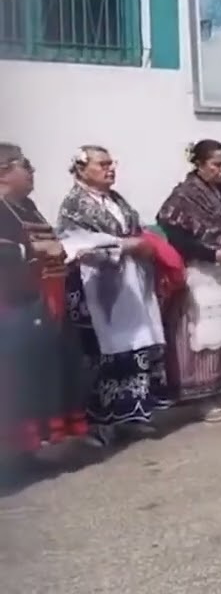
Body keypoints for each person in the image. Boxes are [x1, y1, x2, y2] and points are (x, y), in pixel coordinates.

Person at [58, 145, 171, 446]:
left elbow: (135, 232)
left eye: (112, 163)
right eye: (103, 164)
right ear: (81, 169)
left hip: (130, 284)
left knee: (135, 346)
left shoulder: (117, 200)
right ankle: (97, 423)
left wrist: (139, 246)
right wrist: (124, 246)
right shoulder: (74, 205)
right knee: (101, 354)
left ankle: (130, 416)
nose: (110, 169)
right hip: (96, 288)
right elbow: (76, 246)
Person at [155, 140, 221, 421]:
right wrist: (211, 253)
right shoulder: (183, 195)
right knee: (206, 333)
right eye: (216, 164)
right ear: (199, 164)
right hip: (203, 272)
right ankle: (203, 397)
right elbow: (175, 236)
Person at [0, 144, 90, 462]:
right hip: (13, 303)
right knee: (18, 378)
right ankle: (16, 453)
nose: (32, 171)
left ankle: (38, 445)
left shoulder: (27, 206)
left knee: (48, 371)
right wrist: (33, 251)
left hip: (46, 300)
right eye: (25, 165)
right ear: (3, 171)